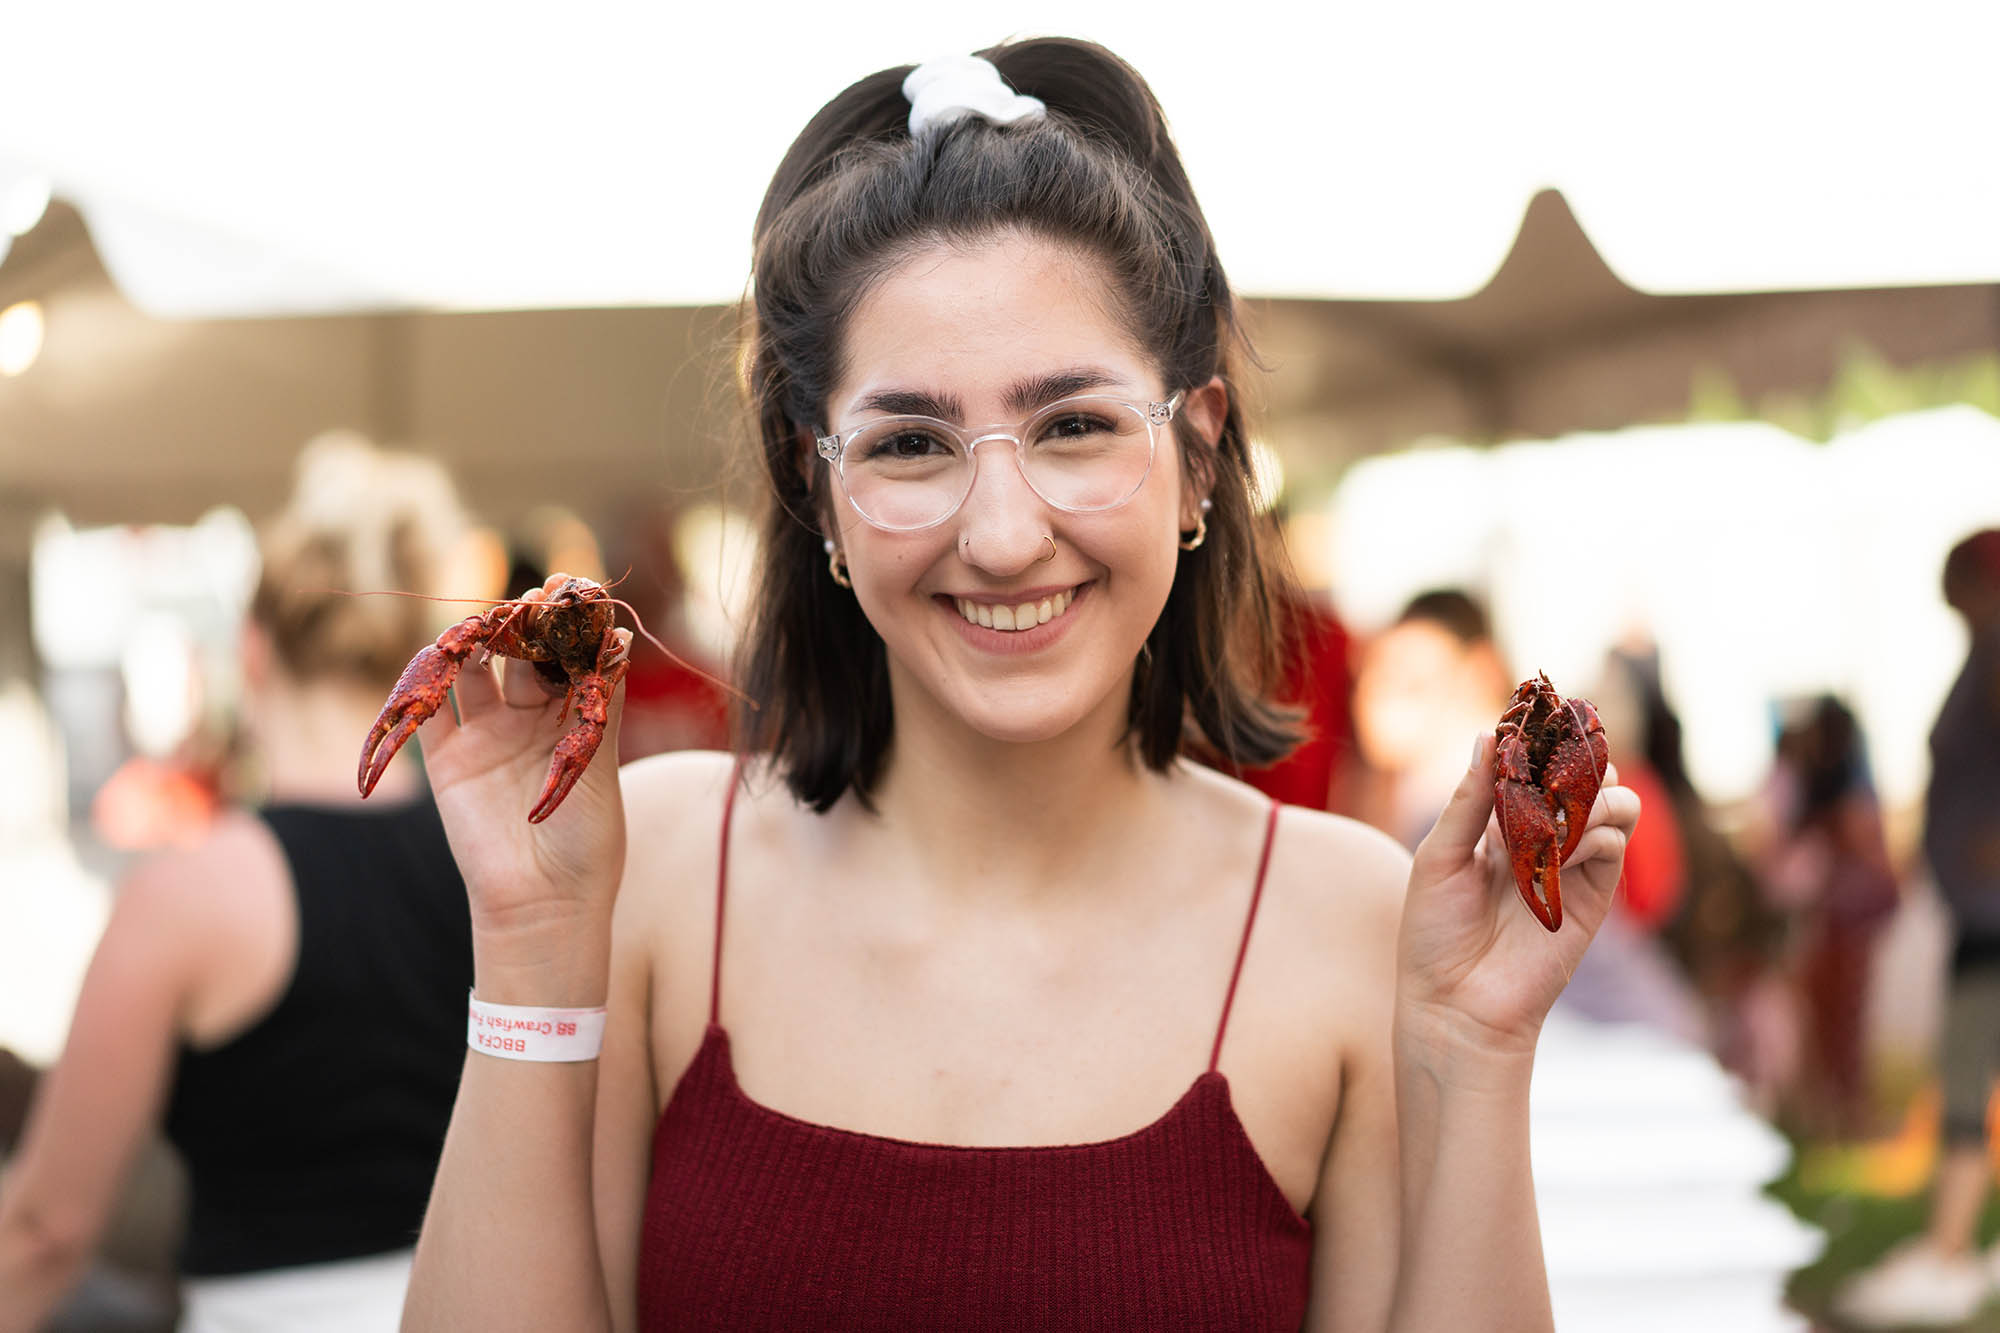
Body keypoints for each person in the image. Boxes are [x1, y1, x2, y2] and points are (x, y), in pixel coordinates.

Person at [397, 41, 1638, 1331]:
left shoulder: (1347, 921)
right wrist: (534, 957)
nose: (999, 533)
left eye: (1074, 425)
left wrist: (1476, 1055)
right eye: (910, 444)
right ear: (813, 483)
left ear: (1198, 453)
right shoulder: (652, 867)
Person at [0, 433, 476, 1333]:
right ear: (411, 661)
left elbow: (46, 1228)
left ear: (252, 651)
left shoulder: (193, 892)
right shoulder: (506, 867)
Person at [1836, 527, 2000, 1328]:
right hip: (1979, 914)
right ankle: (1950, 1245)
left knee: (1969, 1076)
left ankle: (1949, 1247)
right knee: (1967, 1076)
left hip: (1991, 921)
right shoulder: (1981, 657)